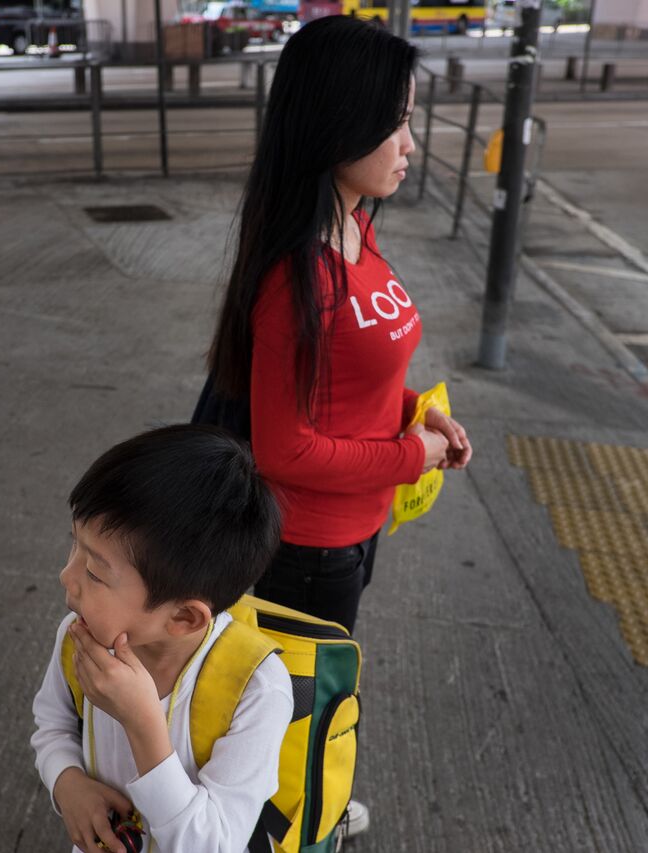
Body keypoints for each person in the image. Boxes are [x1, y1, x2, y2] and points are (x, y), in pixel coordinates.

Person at [203, 16, 472, 836]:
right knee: (300, 697)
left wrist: (416, 413)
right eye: (396, 120)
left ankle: (314, 787)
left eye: (411, 119)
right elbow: (286, 448)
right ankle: (292, 817)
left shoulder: (357, 224)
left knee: (317, 682)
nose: (410, 144)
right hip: (312, 547)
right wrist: (408, 452)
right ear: (337, 122)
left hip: (358, 529)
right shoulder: (297, 271)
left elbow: (357, 374)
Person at [30, 425, 293, 853]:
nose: (67, 576)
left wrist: (142, 722)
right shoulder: (79, 639)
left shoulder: (257, 689)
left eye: (95, 572)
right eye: (74, 545)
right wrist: (66, 781)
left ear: (184, 617)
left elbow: (215, 844)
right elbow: (53, 724)